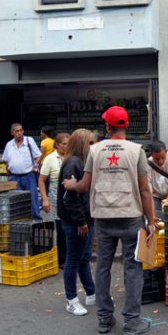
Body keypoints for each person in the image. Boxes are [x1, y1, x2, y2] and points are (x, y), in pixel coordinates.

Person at [63, 106, 158, 335]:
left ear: (107, 127)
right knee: (133, 268)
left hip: (103, 219)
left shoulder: (95, 151)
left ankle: (105, 319)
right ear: (125, 126)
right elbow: (145, 191)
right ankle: (131, 322)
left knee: (103, 267)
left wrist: (70, 185)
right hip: (131, 218)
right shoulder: (137, 150)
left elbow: (84, 186)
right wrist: (151, 221)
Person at [58, 129, 96, 316]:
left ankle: (91, 293)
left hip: (87, 219)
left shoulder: (82, 162)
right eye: (89, 143)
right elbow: (71, 198)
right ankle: (71, 300)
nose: (93, 146)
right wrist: (81, 221)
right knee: (73, 260)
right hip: (76, 222)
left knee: (84, 258)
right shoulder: (73, 163)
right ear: (82, 144)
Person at [39, 132, 70, 269]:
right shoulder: (50, 159)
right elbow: (41, 180)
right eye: (64, 144)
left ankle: (73, 257)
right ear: (57, 145)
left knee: (73, 227)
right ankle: (62, 259)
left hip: (72, 195)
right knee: (61, 229)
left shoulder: (73, 156)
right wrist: (45, 199)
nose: (67, 147)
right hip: (56, 195)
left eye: (69, 144)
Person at [3, 123, 43, 220]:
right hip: (14, 177)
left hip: (28, 175)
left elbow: (38, 155)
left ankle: (36, 219)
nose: (20, 133)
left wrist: (36, 164)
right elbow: (7, 161)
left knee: (33, 198)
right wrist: (8, 174)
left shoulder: (29, 141)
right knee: (17, 201)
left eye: (21, 130)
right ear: (12, 133)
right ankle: (21, 220)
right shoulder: (9, 145)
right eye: (17, 131)